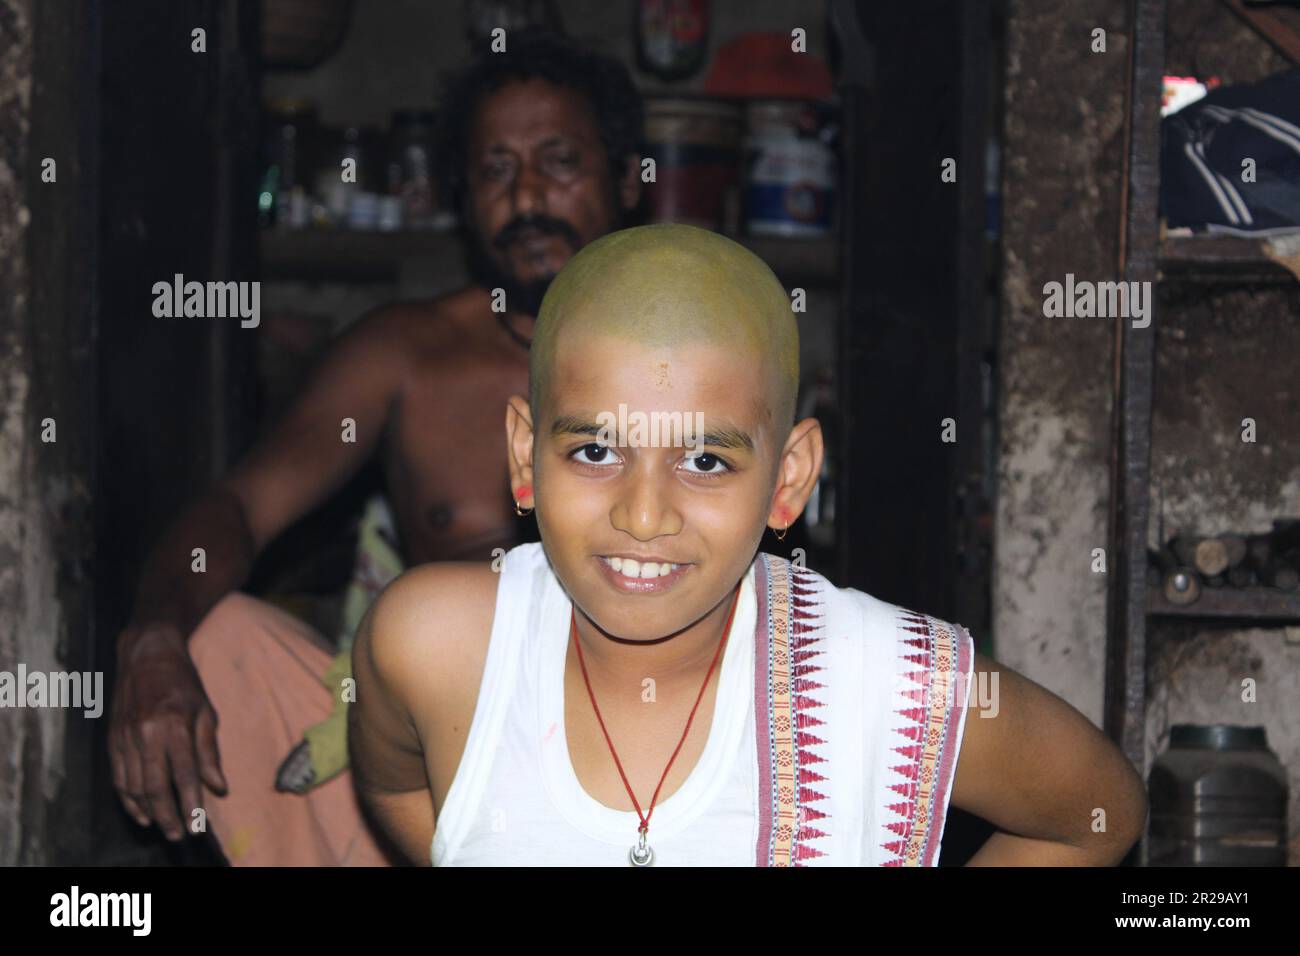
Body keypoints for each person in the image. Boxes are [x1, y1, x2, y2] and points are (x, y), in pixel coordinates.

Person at [350, 223, 1150, 866]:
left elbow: (1097, 815)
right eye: (595, 451)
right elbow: (397, 791)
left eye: (705, 462)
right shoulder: (432, 646)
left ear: (788, 478)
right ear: (526, 456)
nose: (644, 515)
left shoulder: (890, 682)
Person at [108, 31, 644, 865]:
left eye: (560, 161)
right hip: (420, 769)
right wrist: (151, 639)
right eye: (496, 169)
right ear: (464, 197)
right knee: (222, 639)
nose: (527, 194)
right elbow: (241, 507)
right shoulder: (408, 353)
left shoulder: (695, 355)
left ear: (629, 180)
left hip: (631, 758)